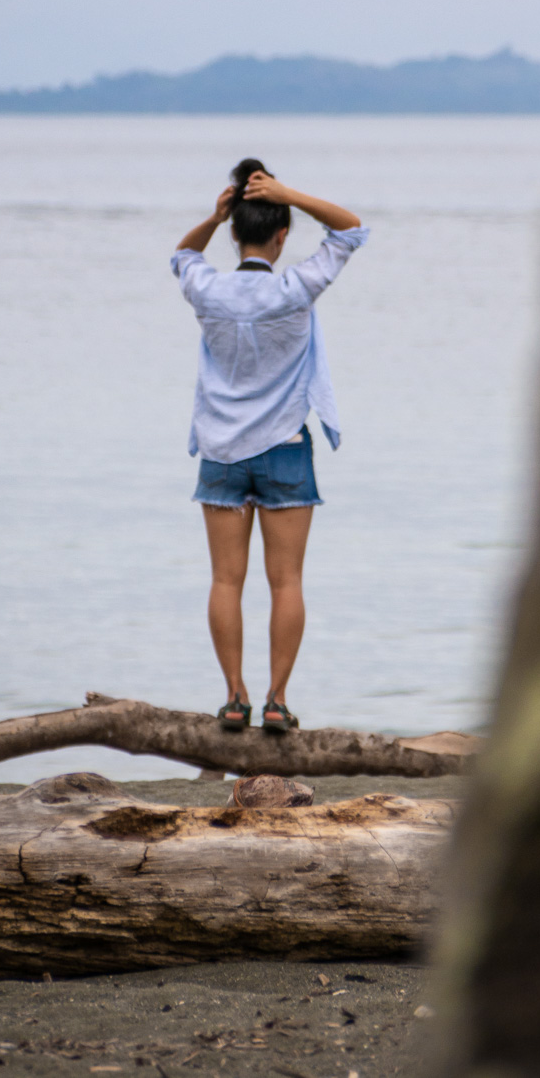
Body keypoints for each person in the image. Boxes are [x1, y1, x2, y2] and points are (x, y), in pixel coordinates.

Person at [171, 158, 368, 733]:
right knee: (287, 582)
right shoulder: (296, 287)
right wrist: (290, 194)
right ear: (282, 236)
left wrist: (213, 217)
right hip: (284, 448)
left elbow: (180, 256)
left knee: (225, 581)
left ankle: (235, 698)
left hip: (222, 452)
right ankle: (278, 701)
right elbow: (352, 228)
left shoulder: (208, 289)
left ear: (234, 234)